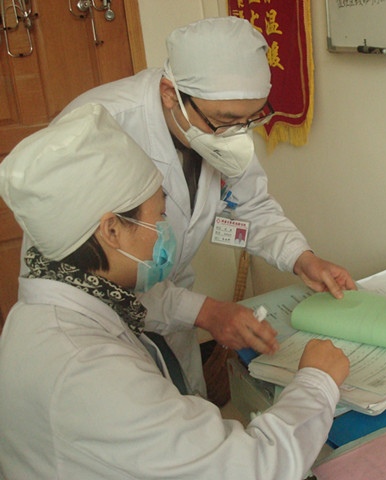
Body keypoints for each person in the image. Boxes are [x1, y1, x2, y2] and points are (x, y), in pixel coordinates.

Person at [0, 103, 350, 479]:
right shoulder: (87, 371)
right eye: (160, 216)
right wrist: (317, 382)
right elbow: (251, 468)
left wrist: (209, 311)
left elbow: (139, 301)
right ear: (112, 230)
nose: (165, 231)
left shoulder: (62, 293)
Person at [45, 16, 357, 399]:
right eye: (226, 120)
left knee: (185, 405)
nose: (236, 132)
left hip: (171, 306)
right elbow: (83, 272)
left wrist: (301, 258)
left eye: (250, 119)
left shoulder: (221, 128)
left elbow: (250, 205)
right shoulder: (100, 127)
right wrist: (205, 312)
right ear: (169, 93)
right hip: (98, 328)